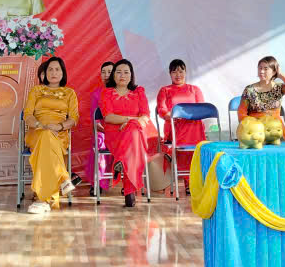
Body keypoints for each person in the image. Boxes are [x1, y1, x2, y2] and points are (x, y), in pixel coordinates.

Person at [23, 56, 80, 214]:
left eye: (57, 69)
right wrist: (39, 125)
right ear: (45, 73)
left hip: (59, 134)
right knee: (45, 136)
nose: (54, 73)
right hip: (37, 131)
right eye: (50, 69)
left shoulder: (70, 93)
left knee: (48, 139)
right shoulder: (36, 90)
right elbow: (28, 115)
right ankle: (62, 178)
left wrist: (60, 126)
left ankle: (43, 198)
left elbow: (74, 118)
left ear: (63, 73)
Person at [100, 59, 155, 207]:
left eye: (126, 72)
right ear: (113, 75)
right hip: (115, 133)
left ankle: (120, 161)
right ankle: (129, 191)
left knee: (133, 132)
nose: (122, 75)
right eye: (118, 72)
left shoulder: (139, 91)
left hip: (135, 134)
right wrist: (130, 120)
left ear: (131, 75)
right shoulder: (106, 92)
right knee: (133, 134)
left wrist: (130, 124)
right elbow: (108, 117)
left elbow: (145, 116)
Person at [155, 59, 204, 192]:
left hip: (193, 128)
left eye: (181, 71)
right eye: (174, 72)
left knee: (193, 124)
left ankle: (192, 179)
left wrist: (187, 117)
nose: (178, 75)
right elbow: (162, 110)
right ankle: (189, 182)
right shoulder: (165, 90)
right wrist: (174, 116)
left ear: (186, 72)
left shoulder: (195, 90)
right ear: (170, 74)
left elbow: (202, 110)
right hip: (174, 126)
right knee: (187, 128)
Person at [238, 56, 285, 140]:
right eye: (260, 68)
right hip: (256, 128)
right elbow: (241, 113)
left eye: (265, 69)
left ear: (274, 71)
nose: (261, 71)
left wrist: (281, 75)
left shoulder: (279, 88)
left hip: (275, 128)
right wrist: (251, 125)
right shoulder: (249, 90)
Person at [83, 61, 115, 195]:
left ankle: (127, 184)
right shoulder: (96, 94)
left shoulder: (121, 92)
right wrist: (106, 130)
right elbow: (95, 120)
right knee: (99, 140)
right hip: (103, 130)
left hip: (120, 130)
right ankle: (97, 182)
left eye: (110, 72)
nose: (106, 75)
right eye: (103, 72)